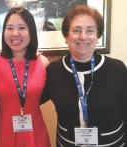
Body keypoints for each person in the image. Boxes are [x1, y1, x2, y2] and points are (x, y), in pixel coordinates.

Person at [41, 5, 127, 146]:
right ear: (66, 36)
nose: (83, 36)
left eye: (90, 31)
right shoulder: (54, 70)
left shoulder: (117, 69)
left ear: (98, 36)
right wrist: (31, 63)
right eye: (76, 30)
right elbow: (30, 100)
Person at [0, 7, 51, 147]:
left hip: (36, 135)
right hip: (4, 134)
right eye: (9, 28)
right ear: (4, 32)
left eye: (22, 27)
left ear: (31, 31)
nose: (15, 33)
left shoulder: (43, 63)